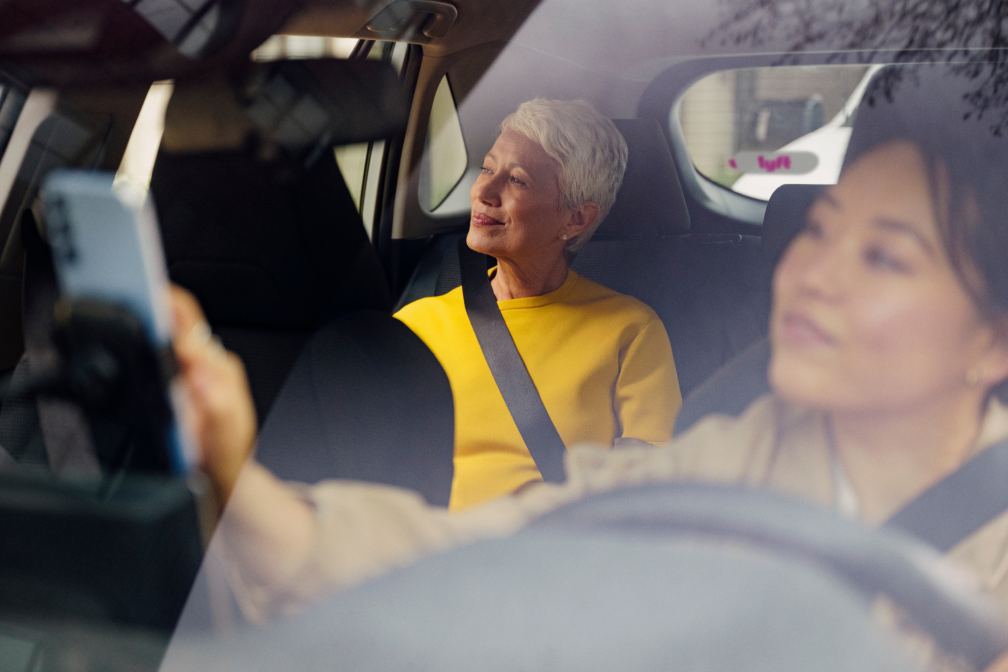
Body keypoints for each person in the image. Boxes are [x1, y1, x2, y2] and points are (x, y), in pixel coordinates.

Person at [172, 64, 1008, 639]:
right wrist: (236, 474)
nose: (812, 273)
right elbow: (534, 538)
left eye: (887, 256)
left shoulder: (630, 332)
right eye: (820, 230)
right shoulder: (739, 455)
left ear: (994, 343)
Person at [395, 98, 681, 510]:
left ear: (576, 219)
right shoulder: (416, 325)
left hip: (548, 556)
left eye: (517, 180)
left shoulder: (631, 330)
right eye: (489, 169)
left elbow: (645, 491)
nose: (484, 192)